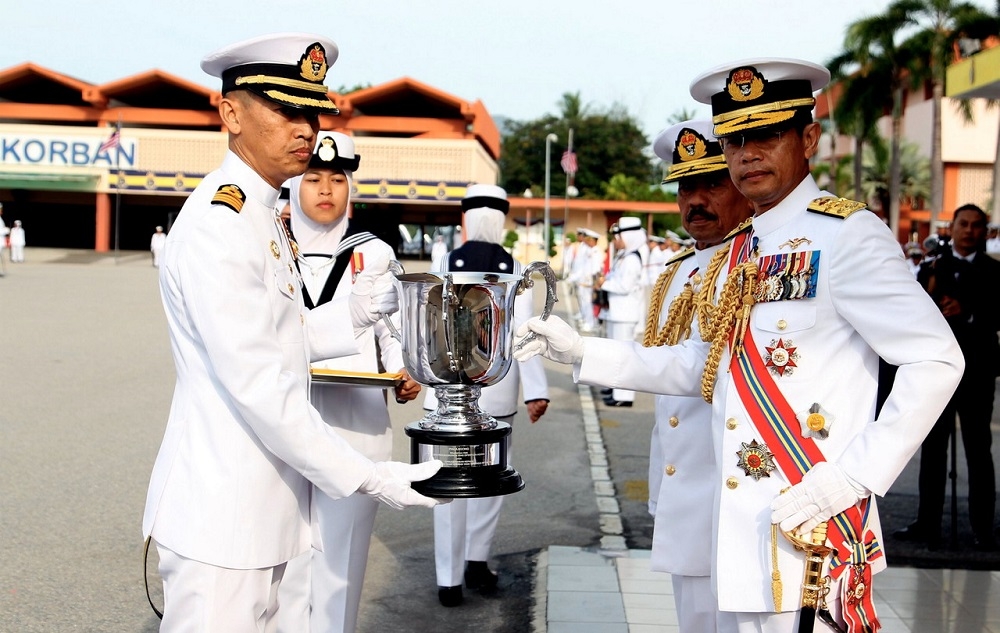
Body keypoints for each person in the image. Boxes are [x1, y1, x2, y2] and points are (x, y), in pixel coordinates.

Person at [515, 57, 964, 633]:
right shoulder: (741, 248)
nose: (747, 154)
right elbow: (702, 365)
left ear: (807, 139)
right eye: (734, 140)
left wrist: (857, 475)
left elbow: (937, 358)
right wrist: (581, 351)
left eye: (766, 135)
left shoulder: (847, 235)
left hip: (811, 529)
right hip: (738, 536)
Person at [141, 33, 443, 632]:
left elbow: (283, 334)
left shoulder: (260, 210)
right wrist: (370, 475)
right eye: (285, 110)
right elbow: (259, 383)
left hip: (265, 511)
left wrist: (354, 314)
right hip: (222, 522)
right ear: (230, 113)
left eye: (312, 112)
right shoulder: (220, 224)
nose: (305, 129)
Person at [274, 131, 423, 633]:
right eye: (313, 178)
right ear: (294, 183)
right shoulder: (272, 244)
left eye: (337, 179)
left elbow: (391, 324)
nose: (325, 189)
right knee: (286, 551)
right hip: (286, 413)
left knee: (341, 560)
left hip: (356, 414)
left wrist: (404, 369)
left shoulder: (375, 251)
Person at [640, 119, 754, 630]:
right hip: (683, 490)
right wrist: (659, 491)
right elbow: (667, 403)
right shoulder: (675, 274)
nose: (696, 200)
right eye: (687, 187)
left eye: (713, 183)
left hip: (739, 494)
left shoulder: (759, 264)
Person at [426, 183, 549, 607]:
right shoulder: (517, 267)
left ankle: (449, 579)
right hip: (496, 390)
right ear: (502, 219)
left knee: (446, 486)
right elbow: (523, 333)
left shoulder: (443, 261)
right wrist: (537, 390)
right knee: (490, 481)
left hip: (445, 390)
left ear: (466, 218)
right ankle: (477, 561)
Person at [896, 203, 1000, 551]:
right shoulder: (931, 267)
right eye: (963, 224)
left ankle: (983, 527)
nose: (969, 231)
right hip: (936, 372)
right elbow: (913, 309)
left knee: (978, 451)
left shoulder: (993, 271)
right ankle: (927, 524)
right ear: (952, 227)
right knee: (933, 450)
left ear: (984, 232)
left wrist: (968, 312)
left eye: (976, 226)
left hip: (977, 373)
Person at [594, 216, 646, 407]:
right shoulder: (624, 256)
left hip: (625, 314)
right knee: (615, 354)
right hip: (616, 313)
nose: (616, 240)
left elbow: (624, 286)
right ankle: (616, 389)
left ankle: (624, 396)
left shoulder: (632, 259)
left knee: (625, 356)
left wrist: (603, 283)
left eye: (619, 236)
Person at [565, 227, 602, 333]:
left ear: (593, 240)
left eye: (589, 239)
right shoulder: (589, 251)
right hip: (585, 281)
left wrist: (594, 282)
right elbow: (583, 268)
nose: (587, 241)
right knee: (585, 302)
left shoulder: (595, 252)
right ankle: (587, 320)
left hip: (590, 283)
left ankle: (590, 323)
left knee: (589, 303)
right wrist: (574, 277)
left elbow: (596, 269)